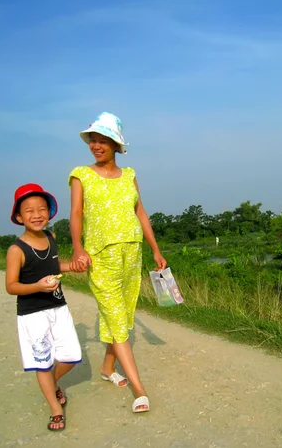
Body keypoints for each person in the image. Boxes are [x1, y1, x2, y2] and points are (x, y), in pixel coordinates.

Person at [68, 111, 167, 414]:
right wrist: (77, 248)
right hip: (101, 257)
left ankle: (107, 366)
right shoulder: (80, 175)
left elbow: (141, 213)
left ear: (115, 144)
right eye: (92, 140)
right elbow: (76, 214)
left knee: (122, 316)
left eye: (102, 140)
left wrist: (155, 249)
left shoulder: (130, 175)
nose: (95, 146)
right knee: (117, 317)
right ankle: (139, 389)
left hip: (131, 253)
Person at [5, 183, 83, 431]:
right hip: (32, 314)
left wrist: (73, 266)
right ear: (19, 217)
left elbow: (53, 266)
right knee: (43, 362)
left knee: (71, 356)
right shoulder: (16, 250)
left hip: (58, 307)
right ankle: (55, 409)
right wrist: (37, 286)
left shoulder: (52, 237)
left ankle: (51, 382)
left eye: (42, 209)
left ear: (49, 213)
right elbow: (11, 286)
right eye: (29, 210)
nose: (36, 214)